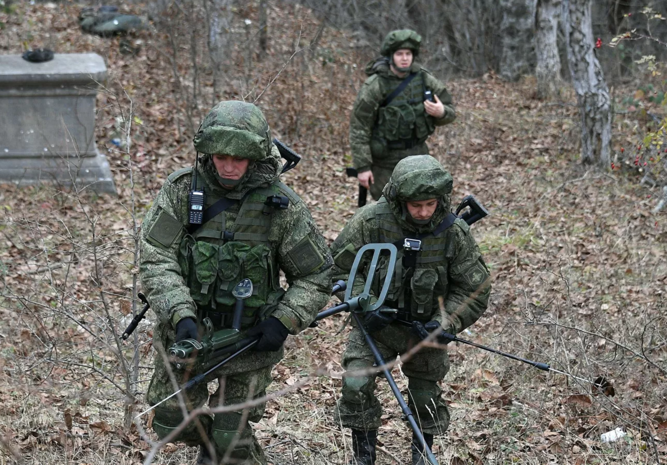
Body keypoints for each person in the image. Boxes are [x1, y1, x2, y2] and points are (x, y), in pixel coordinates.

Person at [139, 101, 333, 464]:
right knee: (171, 424)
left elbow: (316, 274)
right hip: (187, 337)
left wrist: (283, 320)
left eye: (238, 159)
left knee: (231, 438)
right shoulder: (182, 191)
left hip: (249, 341)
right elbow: (155, 256)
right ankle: (212, 451)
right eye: (220, 157)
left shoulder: (282, 206)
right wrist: (180, 314)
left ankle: (227, 453)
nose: (228, 167)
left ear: (255, 157)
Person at [330, 155, 490, 464]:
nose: (424, 212)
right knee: (355, 384)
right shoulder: (370, 221)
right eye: (416, 205)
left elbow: (474, 288)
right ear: (400, 199)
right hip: (376, 327)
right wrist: (366, 302)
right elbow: (338, 268)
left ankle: (421, 456)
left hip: (425, 329)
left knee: (425, 397)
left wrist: (444, 323)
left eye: (430, 204)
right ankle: (363, 457)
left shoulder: (453, 231)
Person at [349, 29, 457, 203]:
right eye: (399, 54)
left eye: (408, 54)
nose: (405, 58)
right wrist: (363, 167)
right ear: (391, 56)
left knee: (422, 206)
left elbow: (450, 111)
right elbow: (359, 127)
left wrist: (441, 112)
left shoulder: (424, 79)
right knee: (390, 208)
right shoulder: (376, 85)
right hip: (385, 163)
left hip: (418, 157)